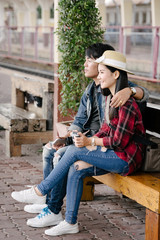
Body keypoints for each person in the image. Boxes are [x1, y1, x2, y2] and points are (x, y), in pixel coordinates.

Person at [11, 50, 146, 236]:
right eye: (98, 72)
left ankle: (40, 190)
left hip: (125, 159)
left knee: (74, 151)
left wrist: (90, 141)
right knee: (76, 167)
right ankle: (70, 222)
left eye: (102, 72)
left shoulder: (126, 103)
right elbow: (106, 130)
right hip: (114, 154)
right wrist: (87, 141)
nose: (98, 77)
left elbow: (117, 141)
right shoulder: (110, 98)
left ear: (115, 74)